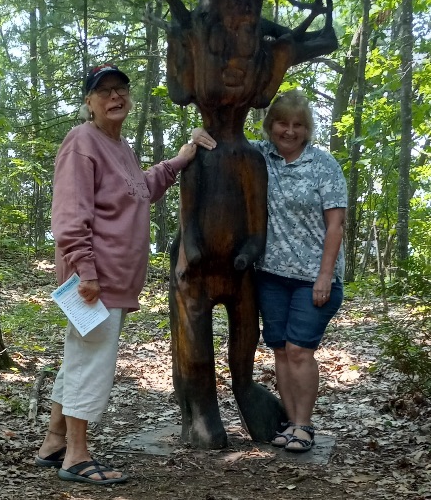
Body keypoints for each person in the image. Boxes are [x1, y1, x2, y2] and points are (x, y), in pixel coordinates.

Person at [36, 63, 197, 484]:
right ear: (88, 102)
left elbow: (139, 190)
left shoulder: (120, 147)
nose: (115, 96)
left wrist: (178, 162)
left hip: (112, 280)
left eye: (121, 88)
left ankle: (55, 442)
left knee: (79, 358)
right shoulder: (82, 141)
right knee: (91, 363)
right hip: (95, 281)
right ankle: (76, 457)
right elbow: (70, 215)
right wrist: (86, 271)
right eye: (104, 90)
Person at [192, 89, 347, 453]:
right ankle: (291, 424)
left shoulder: (323, 165)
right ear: (270, 125)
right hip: (271, 276)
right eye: (282, 123)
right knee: (279, 350)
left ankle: (304, 425)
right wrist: (197, 135)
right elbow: (223, 147)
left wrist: (325, 276)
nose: (289, 131)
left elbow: (336, 226)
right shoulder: (260, 156)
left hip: (313, 278)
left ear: (307, 130)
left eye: (297, 125)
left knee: (299, 350)